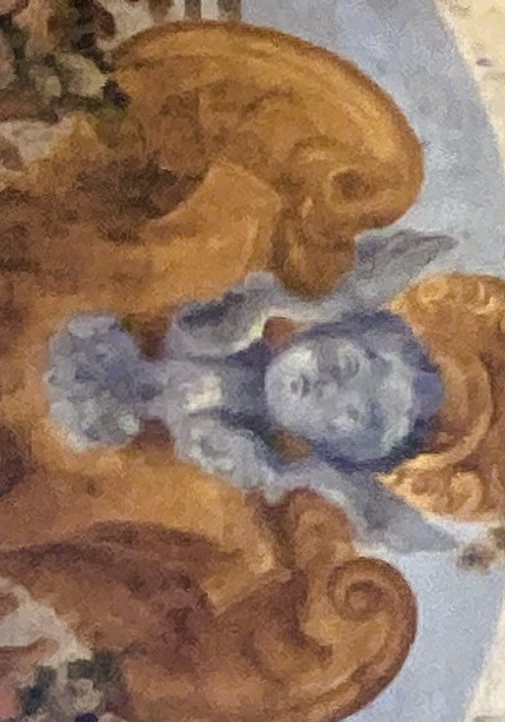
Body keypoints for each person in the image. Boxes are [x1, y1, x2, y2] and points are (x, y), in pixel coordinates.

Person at [44, 227, 461, 556]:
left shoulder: (247, 461)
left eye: (348, 416)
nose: (328, 388)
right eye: (344, 365)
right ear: (324, 329)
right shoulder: (235, 309)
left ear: (323, 447)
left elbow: (362, 500)